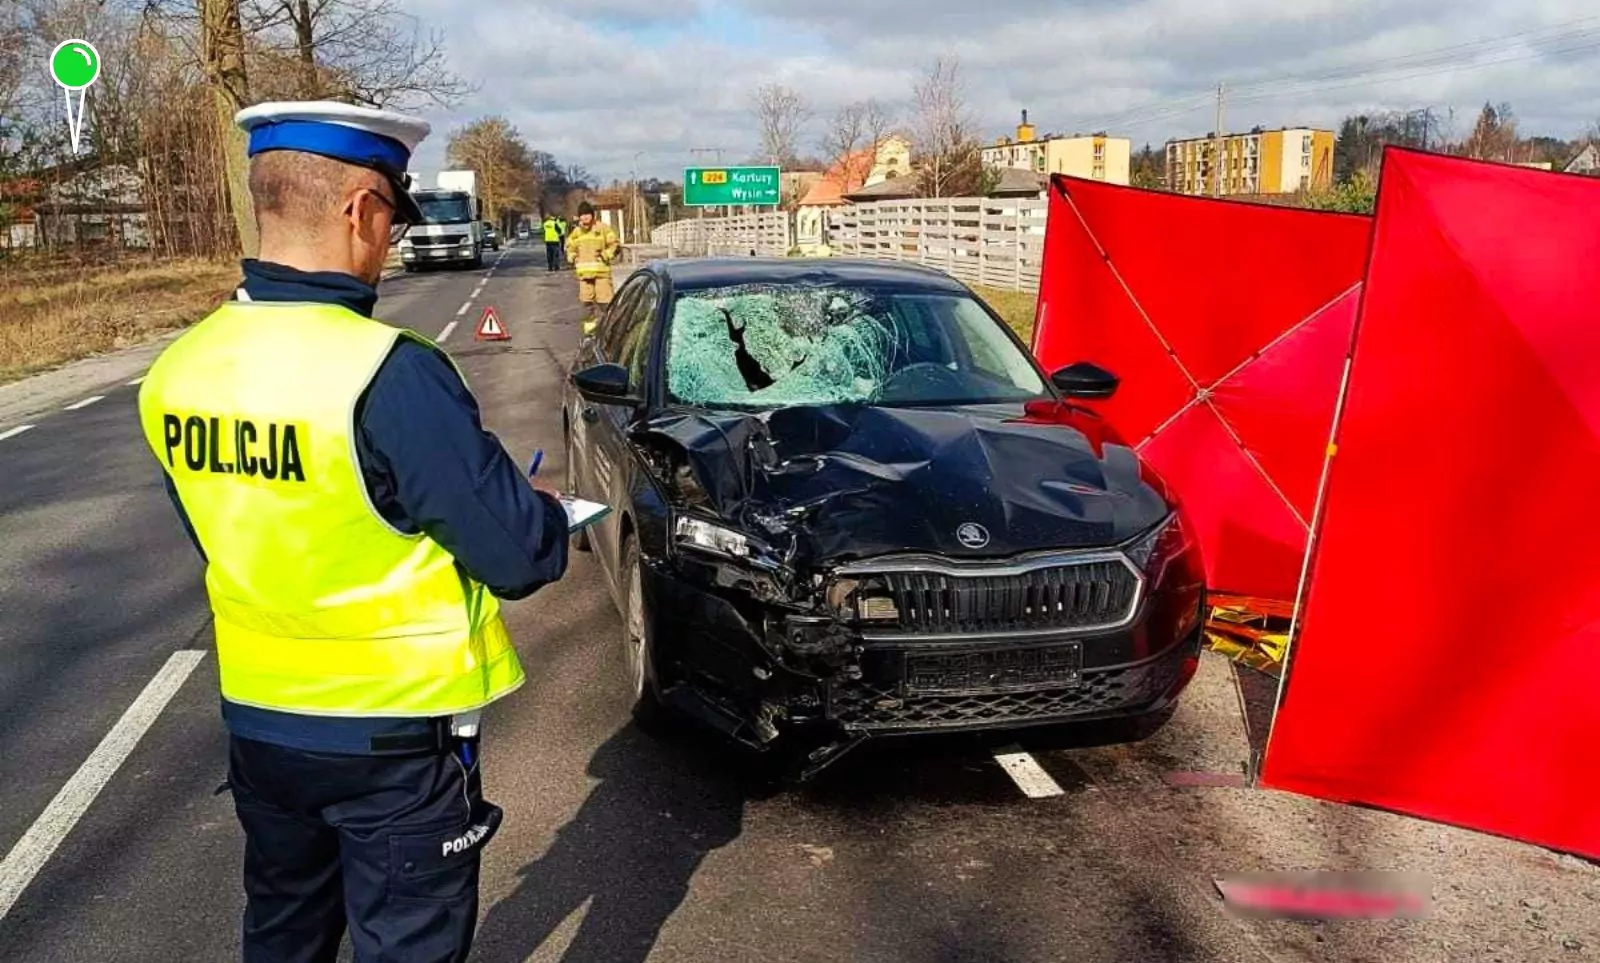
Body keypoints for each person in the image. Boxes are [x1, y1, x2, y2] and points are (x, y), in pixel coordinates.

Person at [136, 101, 570, 963]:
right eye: (391, 220)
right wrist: (539, 510)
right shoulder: (389, 373)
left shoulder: (177, 369)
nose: (390, 244)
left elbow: (229, 530)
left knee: (284, 935)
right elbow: (521, 555)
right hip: (392, 739)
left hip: (261, 726)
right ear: (362, 212)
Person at [564, 201, 619, 325]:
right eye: (582, 215)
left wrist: (605, 255)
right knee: (586, 309)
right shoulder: (576, 232)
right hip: (584, 277)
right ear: (579, 217)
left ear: (592, 215)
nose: (585, 217)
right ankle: (590, 334)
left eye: (587, 214)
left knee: (606, 305)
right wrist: (572, 257)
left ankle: (610, 331)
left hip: (601, 275)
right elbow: (569, 247)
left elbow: (615, 244)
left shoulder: (602, 228)